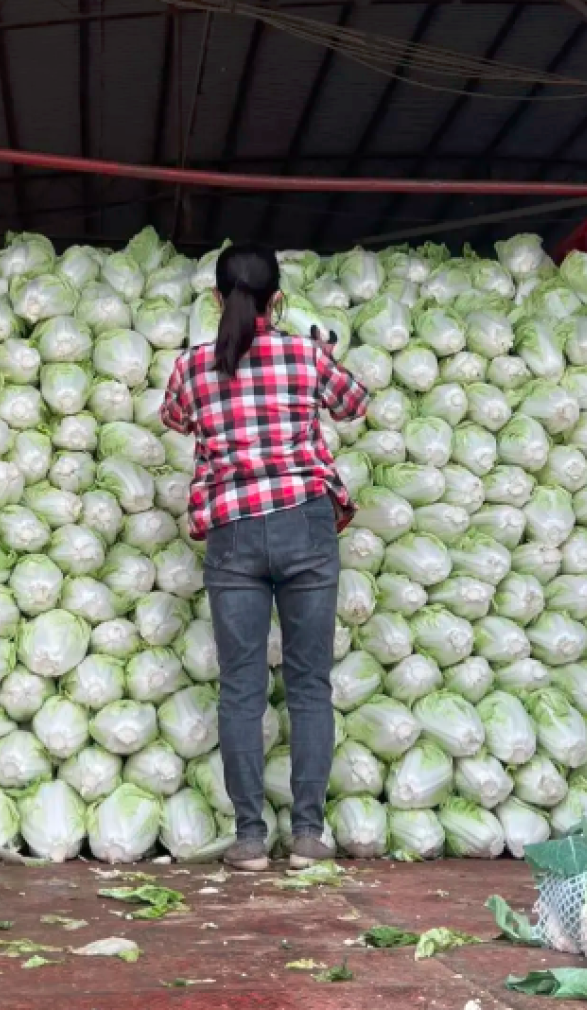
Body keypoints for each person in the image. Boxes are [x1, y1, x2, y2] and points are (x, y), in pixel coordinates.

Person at [161, 245, 369, 872]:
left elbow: (175, 419)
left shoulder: (194, 367)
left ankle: (249, 838)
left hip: (234, 533)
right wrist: (320, 350)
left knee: (242, 687)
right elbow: (355, 404)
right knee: (308, 684)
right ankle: (307, 834)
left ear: (218, 300)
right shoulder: (304, 355)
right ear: (276, 299)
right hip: (304, 524)